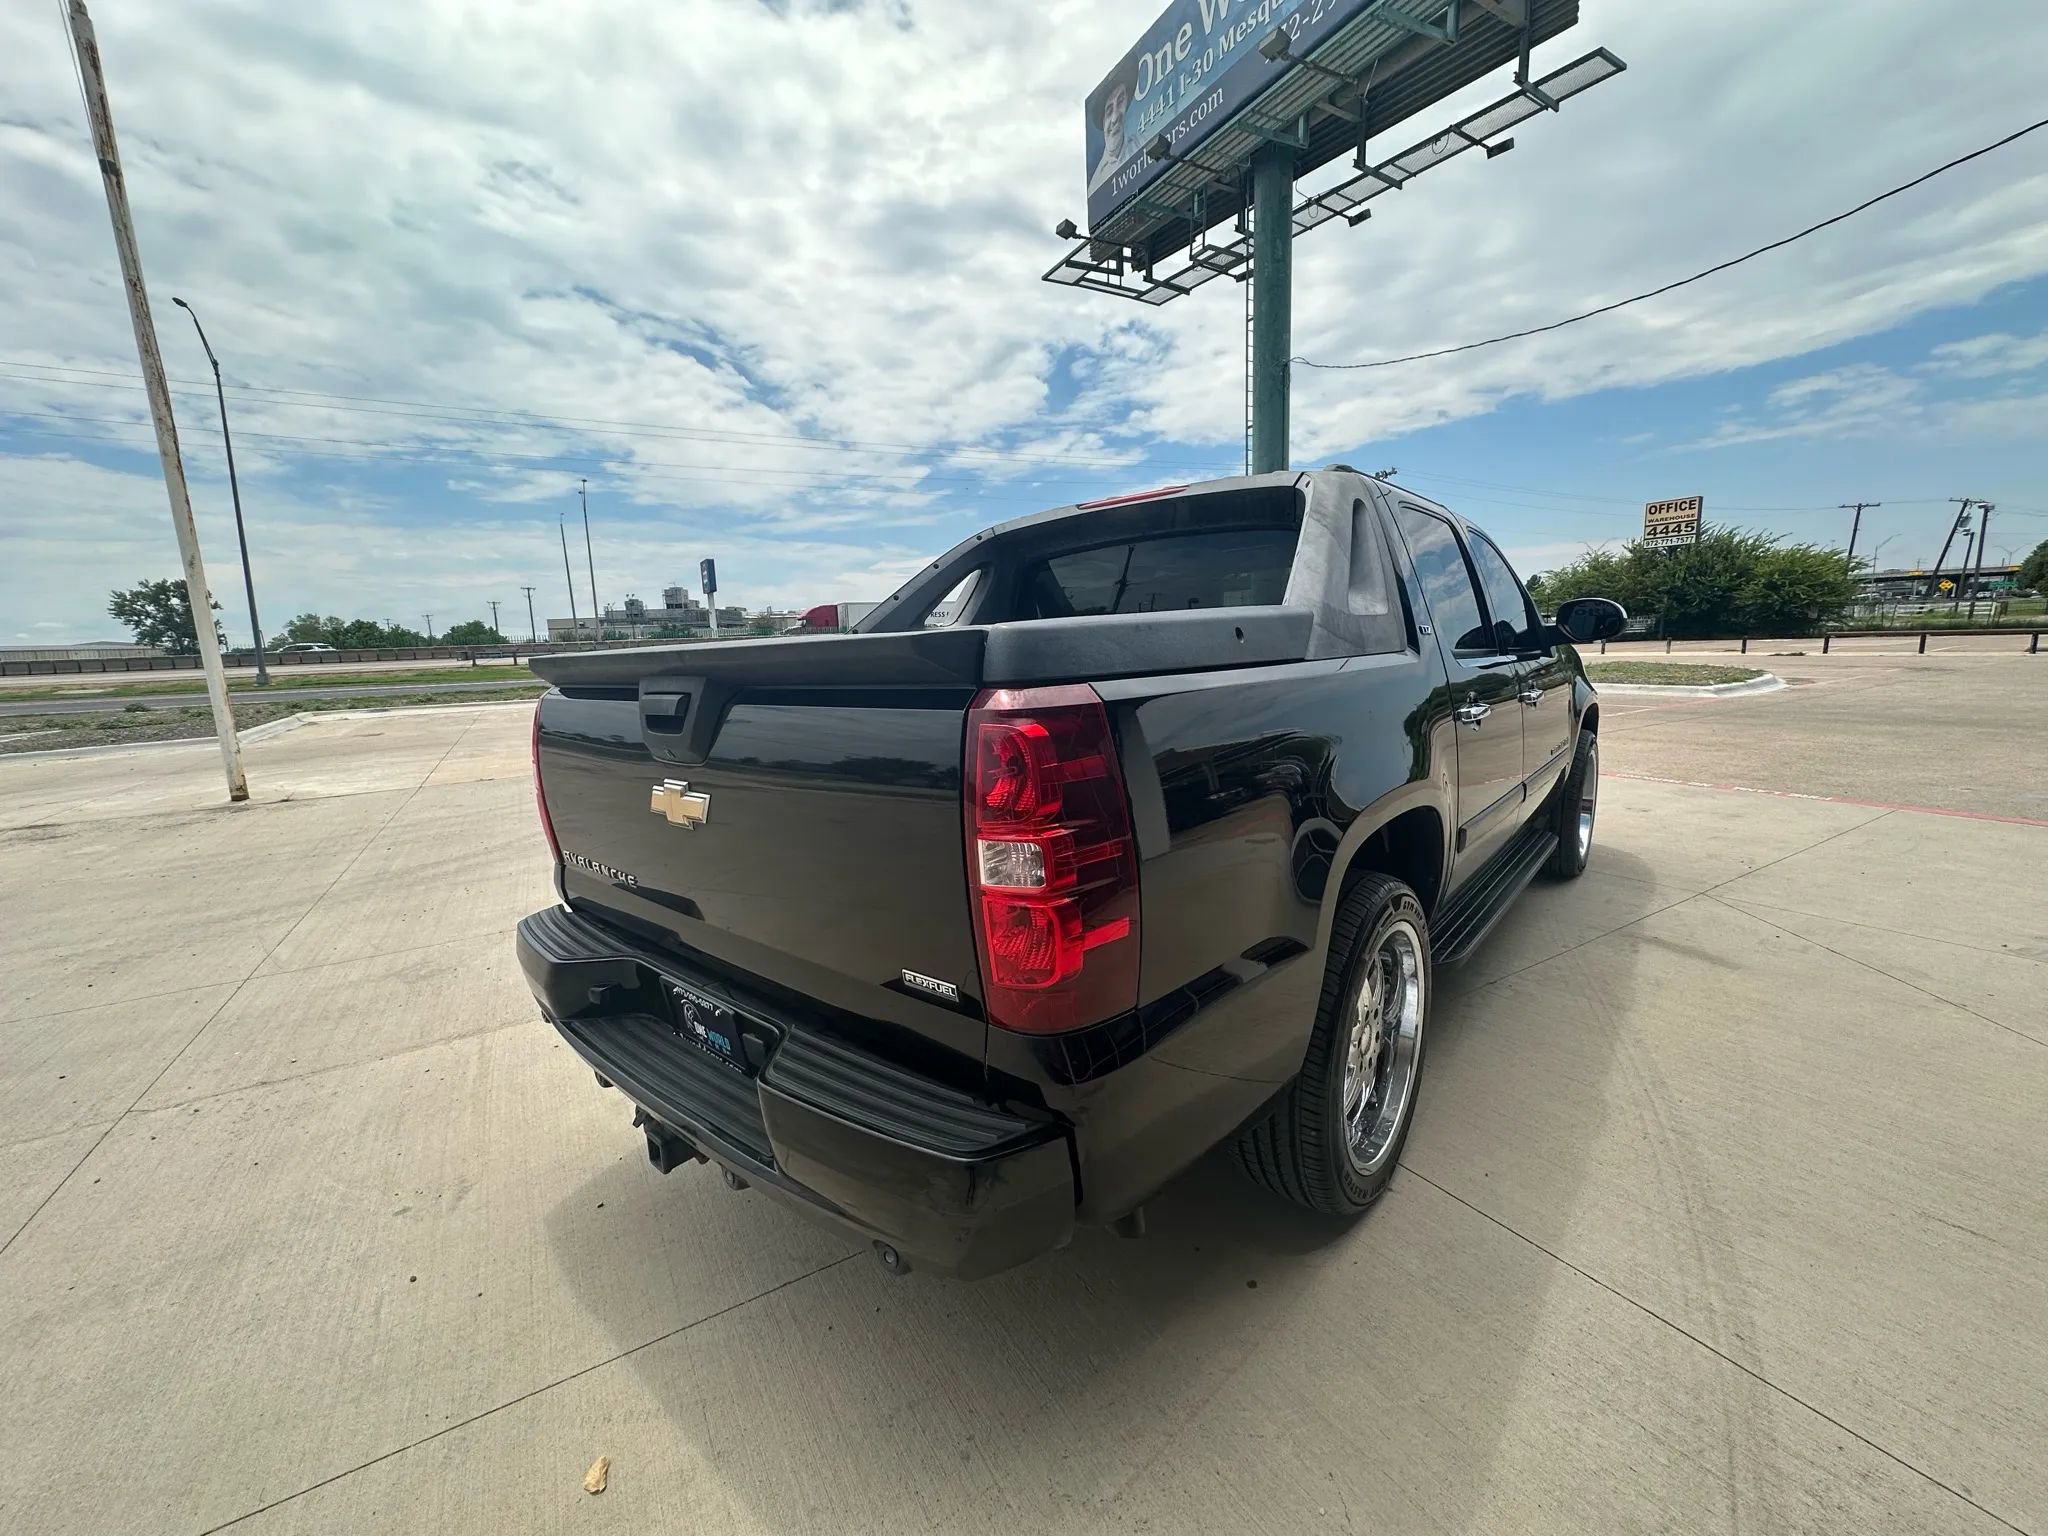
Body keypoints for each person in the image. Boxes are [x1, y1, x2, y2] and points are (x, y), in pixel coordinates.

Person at [1088, 76, 1134, 194]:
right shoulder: (1096, 186)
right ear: (1103, 122)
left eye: (1120, 101)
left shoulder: (1143, 144)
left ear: (1127, 102)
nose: (1114, 118)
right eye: (1109, 110)